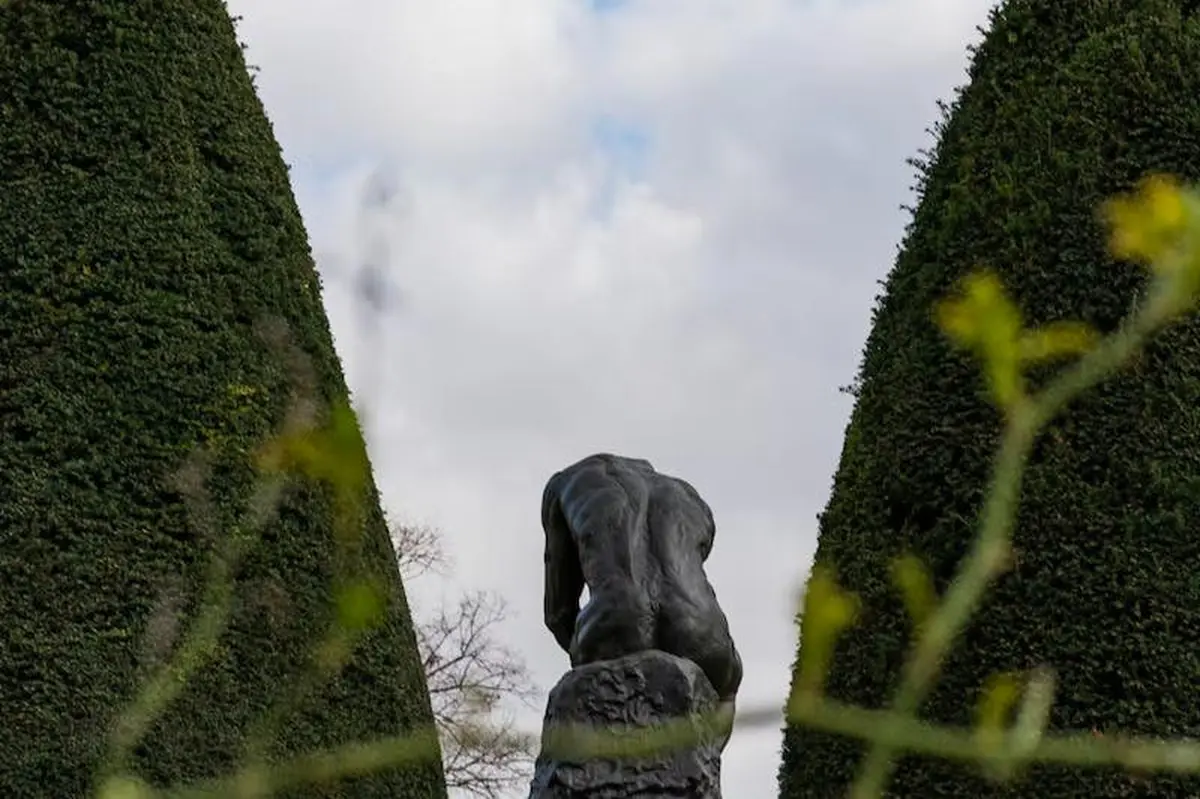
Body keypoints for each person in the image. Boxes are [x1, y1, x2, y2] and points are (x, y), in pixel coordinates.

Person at [541, 453, 743, 709]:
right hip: (702, 627)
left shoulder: (566, 484)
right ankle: (708, 749)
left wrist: (582, 651)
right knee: (727, 688)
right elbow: (689, 567)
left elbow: (558, 614)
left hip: (615, 621)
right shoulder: (689, 496)